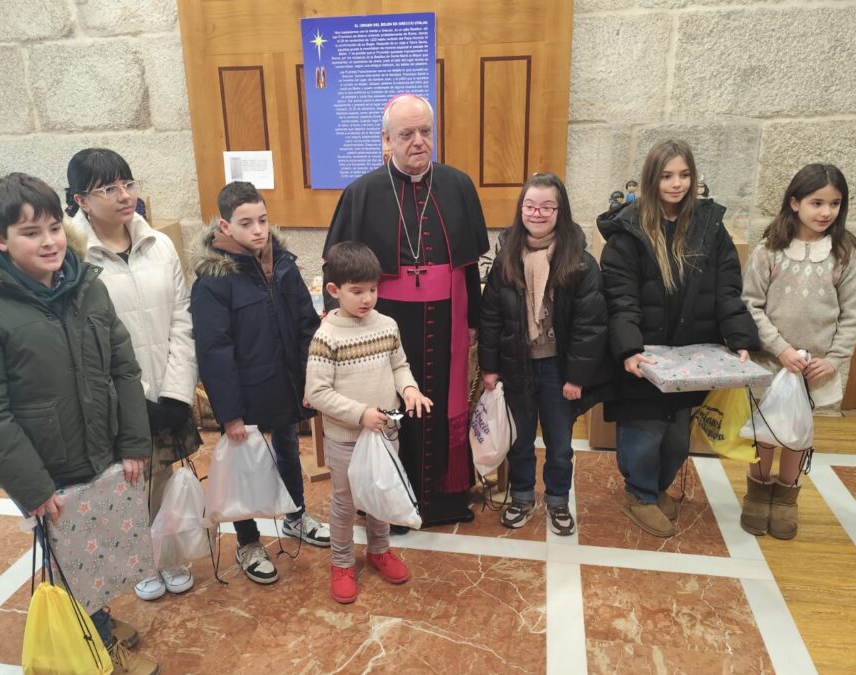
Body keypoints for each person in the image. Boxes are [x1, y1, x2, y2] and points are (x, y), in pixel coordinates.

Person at [0, 173, 159, 674]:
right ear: (0, 239)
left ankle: (97, 621)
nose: (49, 242)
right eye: (30, 232)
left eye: (54, 228)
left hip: (98, 445)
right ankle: (97, 651)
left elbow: (123, 368)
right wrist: (32, 486)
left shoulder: (86, 286)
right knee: (67, 560)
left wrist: (132, 441)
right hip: (45, 466)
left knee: (96, 550)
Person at [323, 93, 490, 528]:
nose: (418, 141)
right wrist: (338, 327)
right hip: (384, 323)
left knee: (441, 405)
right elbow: (334, 267)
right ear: (387, 140)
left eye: (425, 131)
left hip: (447, 321)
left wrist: (474, 322)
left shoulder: (458, 186)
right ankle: (389, 504)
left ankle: (444, 499)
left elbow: (468, 266)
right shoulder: (361, 193)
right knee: (391, 405)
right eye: (406, 134)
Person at [597, 139, 759, 539]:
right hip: (645, 356)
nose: (677, 184)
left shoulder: (709, 226)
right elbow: (620, 297)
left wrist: (740, 336)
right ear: (651, 179)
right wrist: (629, 348)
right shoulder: (628, 230)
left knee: (675, 439)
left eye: (685, 175)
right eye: (667, 175)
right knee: (645, 432)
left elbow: (726, 288)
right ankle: (638, 494)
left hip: (689, 356)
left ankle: (656, 487)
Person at [65, 148, 200, 602]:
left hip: (167, 387)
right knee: (126, 482)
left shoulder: (158, 244)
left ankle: (168, 555)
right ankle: (139, 560)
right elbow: (86, 343)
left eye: (128, 184)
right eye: (109, 188)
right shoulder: (74, 259)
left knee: (164, 478)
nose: (124, 195)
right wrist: (133, 399)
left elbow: (181, 318)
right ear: (81, 200)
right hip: (116, 396)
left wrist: (177, 392)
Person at [191, 181, 329, 584]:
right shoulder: (214, 279)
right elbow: (214, 351)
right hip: (245, 391)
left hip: (284, 381)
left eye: (263, 220)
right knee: (245, 466)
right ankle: (248, 540)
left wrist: (310, 380)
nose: (258, 230)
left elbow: (306, 324)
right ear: (225, 226)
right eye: (246, 223)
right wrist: (230, 414)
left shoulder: (283, 263)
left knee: (288, 449)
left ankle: (295, 514)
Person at [478, 173, 611, 535]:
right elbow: (490, 317)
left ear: (560, 211)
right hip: (516, 365)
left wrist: (577, 378)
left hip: (558, 369)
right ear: (521, 209)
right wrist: (489, 367)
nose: (537, 214)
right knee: (520, 440)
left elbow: (590, 327)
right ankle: (522, 496)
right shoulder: (506, 259)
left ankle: (557, 499)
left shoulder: (580, 263)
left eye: (546, 207)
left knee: (559, 443)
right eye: (530, 206)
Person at [740, 164, 856, 540]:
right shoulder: (768, 250)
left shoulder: (844, 253)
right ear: (794, 203)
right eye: (817, 202)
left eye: (834, 204)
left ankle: (786, 498)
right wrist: (780, 348)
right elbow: (750, 304)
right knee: (766, 431)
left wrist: (834, 359)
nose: (826, 212)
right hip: (771, 361)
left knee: (797, 432)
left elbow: (853, 314)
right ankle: (757, 494)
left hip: (814, 367)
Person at [305, 242, 432, 603]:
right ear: (334, 290)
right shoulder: (327, 336)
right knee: (345, 503)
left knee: (380, 493)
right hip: (346, 438)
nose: (367, 299)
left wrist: (409, 389)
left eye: (373, 289)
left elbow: (399, 365)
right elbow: (317, 393)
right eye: (357, 291)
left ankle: (379, 550)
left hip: (386, 431)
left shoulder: (387, 325)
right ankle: (342, 562)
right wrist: (361, 414)